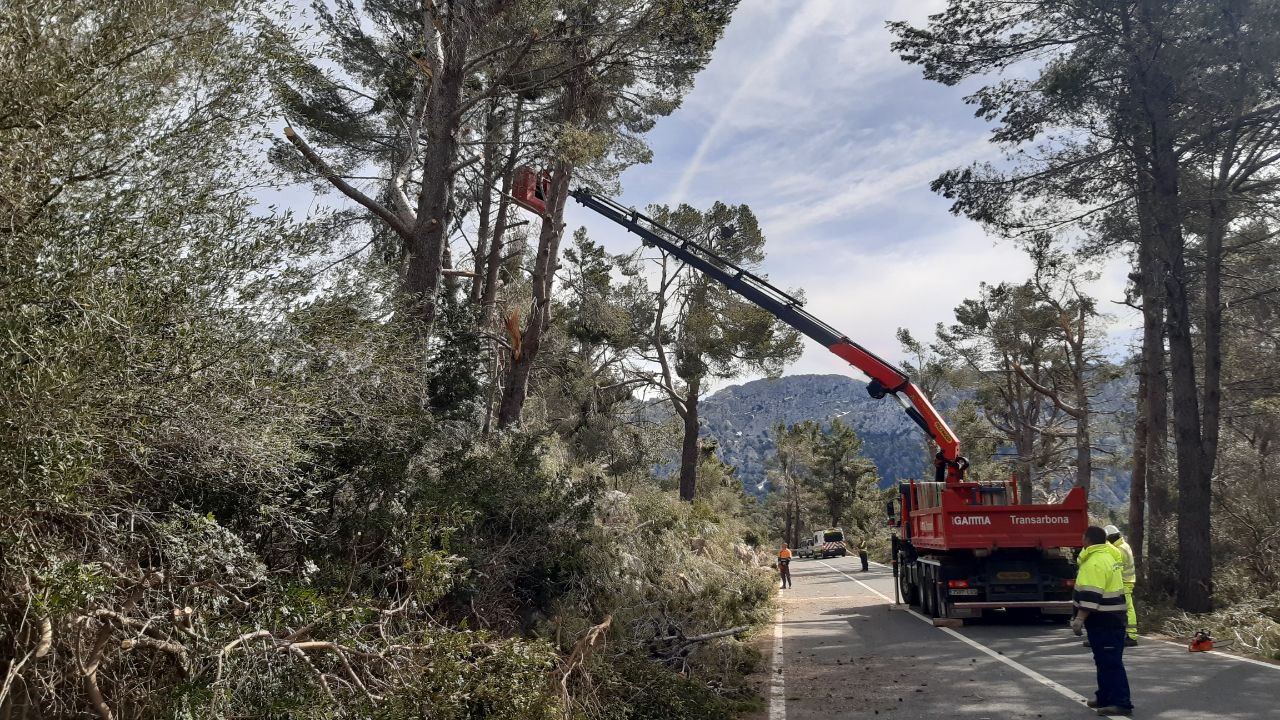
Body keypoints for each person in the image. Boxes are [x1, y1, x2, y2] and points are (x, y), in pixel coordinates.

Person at [1072, 525, 1133, 716]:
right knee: (1103, 660)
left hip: (1105, 620)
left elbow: (1091, 596)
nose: (1081, 541)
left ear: (1088, 540)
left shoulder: (1095, 562)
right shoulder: (1108, 556)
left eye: (1083, 537)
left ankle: (1121, 703)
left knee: (1110, 662)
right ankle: (1105, 697)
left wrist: (1079, 619)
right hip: (1110, 618)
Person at [1104, 524, 1139, 646]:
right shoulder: (1124, 545)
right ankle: (1127, 634)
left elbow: (1114, 568)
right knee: (1125, 608)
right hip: (1127, 581)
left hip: (1124, 582)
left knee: (1127, 609)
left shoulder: (1119, 550)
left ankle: (1131, 635)